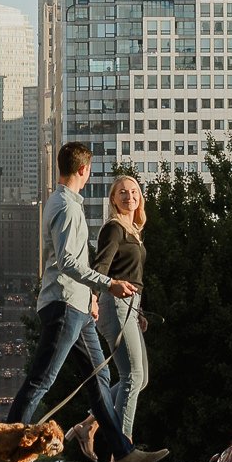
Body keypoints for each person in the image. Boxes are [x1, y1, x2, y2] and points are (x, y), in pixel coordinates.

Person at [6, 141, 169, 462]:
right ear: (85, 170)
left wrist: (92, 298)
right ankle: (8, 452)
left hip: (78, 306)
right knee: (42, 380)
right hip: (65, 303)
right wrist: (106, 286)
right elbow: (67, 261)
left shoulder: (65, 203)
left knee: (100, 378)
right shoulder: (66, 207)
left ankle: (123, 454)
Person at [91, 172, 151, 447]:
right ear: (113, 200)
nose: (130, 196)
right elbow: (101, 268)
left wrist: (139, 310)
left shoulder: (133, 231)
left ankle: (88, 424)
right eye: (123, 192)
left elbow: (132, 273)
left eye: (134, 192)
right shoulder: (113, 228)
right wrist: (93, 298)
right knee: (132, 376)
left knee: (141, 378)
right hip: (114, 303)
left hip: (130, 305)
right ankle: (123, 446)